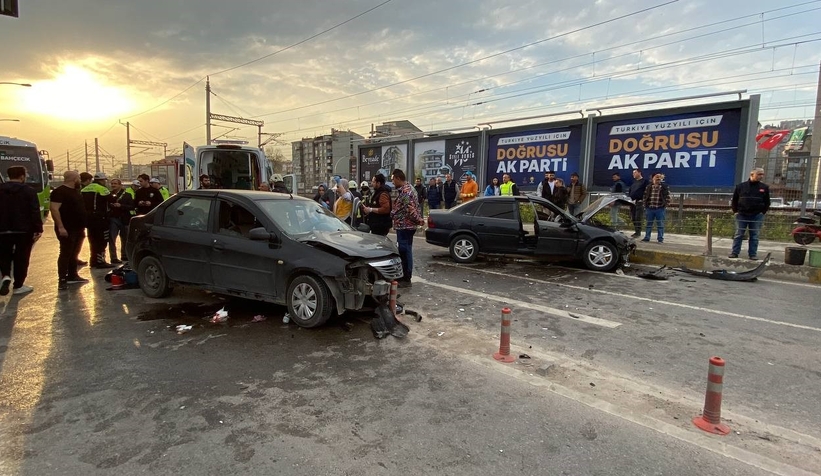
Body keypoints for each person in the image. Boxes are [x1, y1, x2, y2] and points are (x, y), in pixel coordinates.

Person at [0, 165, 43, 296]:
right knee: (22, 257)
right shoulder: (29, 191)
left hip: (2, 230)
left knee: (3, 254)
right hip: (24, 230)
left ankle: (5, 275)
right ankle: (18, 285)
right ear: (22, 176)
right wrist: (38, 229)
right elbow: (34, 211)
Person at [50, 170, 89, 290]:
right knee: (65, 253)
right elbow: (54, 209)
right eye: (78, 178)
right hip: (67, 228)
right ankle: (62, 279)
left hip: (78, 228)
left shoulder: (76, 191)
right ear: (74, 179)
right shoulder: (59, 192)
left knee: (74, 253)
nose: (80, 180)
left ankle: (73, 275)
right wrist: (61, 227)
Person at [390, 169, 424, 287]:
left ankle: (405, 278)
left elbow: (410, 210)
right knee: (406, 250)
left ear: (398, 178)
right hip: (405, 225)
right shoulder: (409, 189)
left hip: (405, 226)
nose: (392, 182)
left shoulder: (406, 192)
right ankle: (405, 276)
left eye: (393, 179)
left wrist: (419, 220)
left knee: (404, 252)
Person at [730, 168, 770, 260]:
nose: (761, 176)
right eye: (759, 174)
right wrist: (735, 212)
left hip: (756, 215)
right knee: (739, 234)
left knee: (754, 235)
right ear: (752, 175)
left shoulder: (764, 188)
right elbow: (734, 200)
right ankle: (734, 252)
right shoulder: (741, 186)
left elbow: (767, 202)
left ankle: (752, 254)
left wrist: (762, 212)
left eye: (762, 174)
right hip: (742, 214)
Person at [82, 172, 114, 268]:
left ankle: (93, 261)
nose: (105, 182)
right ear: (101, 180)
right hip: (101, 219)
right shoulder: (102, 189)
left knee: (92, 240)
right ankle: (101, 262)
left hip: (88, 219)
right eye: (104, 180)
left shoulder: (84, 189)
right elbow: (112, 200)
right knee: (102, 241)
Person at [108, 178, 134, 264]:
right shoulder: (109, 195)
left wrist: (121, 205)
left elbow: (131, 206)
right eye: (112, 183)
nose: (113, 185)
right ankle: (113, 257)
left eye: (115, 183)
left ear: (120, 185)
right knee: (112, 239)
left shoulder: (127, 195)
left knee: (125, 238)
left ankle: (124, 255)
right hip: (113, 219)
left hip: (124, 219)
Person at [642, 173, 671, 243]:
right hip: (650, 208)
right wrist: (645, 205)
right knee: (649, 224)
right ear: (653, 179)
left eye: (659, 178)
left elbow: (668, 197)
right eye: (656, 177)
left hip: (660, 208)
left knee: (660, 224)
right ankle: (647, 237)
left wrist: (665, 205)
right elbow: (645, 196)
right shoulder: (649, 187)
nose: (658, 179)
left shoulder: (664, 187)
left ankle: (660, 239)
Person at [628, 169, 650, 238]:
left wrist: (643, 200)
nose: (633, 174)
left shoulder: (645, 182)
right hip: (632, 202)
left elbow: (647, 192)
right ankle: (636, 231)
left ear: (639, 173)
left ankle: (638, 232)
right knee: (633, 217)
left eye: (635, 172)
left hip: (640, 202)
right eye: (633, 173)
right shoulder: (634, 183)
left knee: (638, 217)